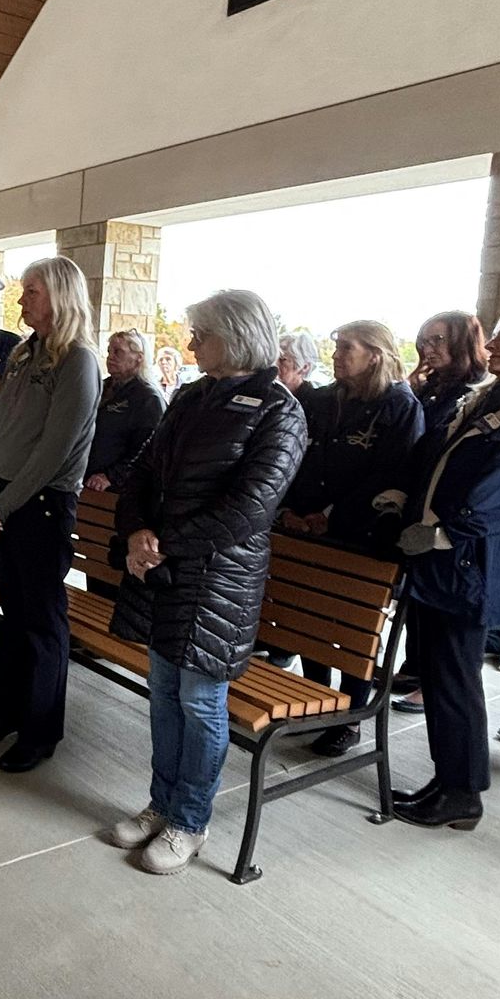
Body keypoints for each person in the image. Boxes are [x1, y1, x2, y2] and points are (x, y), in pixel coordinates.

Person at [108, 290, 307, 875]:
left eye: (202, 333)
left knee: (200, 701)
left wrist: (161, 543)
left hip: (219, 582)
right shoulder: (192, 396)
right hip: (164, 569)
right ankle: (162, 804)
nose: (191, 343)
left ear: (237, 337)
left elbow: (250, 508)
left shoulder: (279, 410)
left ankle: (190, 821)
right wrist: (136, 530)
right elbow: (143, 471)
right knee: (164, 693)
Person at [0, 257, 102, 772]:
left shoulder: (78, 361)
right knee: (15, 615)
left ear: (61, 296)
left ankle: (40, 732)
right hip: (4, 499)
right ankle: (7, 714)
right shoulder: (26, 353)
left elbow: (54, 451)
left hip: (42, 505)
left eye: (32, 291)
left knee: (42, 622)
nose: (22, 300)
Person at [380, 321, 500, 831]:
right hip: (440, 563)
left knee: (455, 677)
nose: (491, 345)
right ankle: (448, 780)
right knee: (436, 673)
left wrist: (444, 533)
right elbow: (433, 456)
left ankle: (463, 793)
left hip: (466, 564)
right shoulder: (488, 396)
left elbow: (494, 492)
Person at [282, 319, 424, 754]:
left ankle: (351, 717)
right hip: (308, 527)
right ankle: (317, 700)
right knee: (310, 619)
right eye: (337, 347)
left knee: (352, 627)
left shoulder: (399, 405)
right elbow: (299, 454)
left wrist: (329, 514)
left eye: (347, 347)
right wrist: (292, 509)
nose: (337, 355)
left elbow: (393, 474)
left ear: (375, 356)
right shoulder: (327, 399)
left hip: (362, 534)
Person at [392, 310, 488, 711]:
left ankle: (427, 680)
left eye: (438, 340)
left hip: (453, 526)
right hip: (419, 508)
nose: (427, 349)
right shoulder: (432, 389)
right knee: (419, 600)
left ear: (463, 343)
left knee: (451, 635)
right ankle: (417, 668)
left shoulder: (475, 392)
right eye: (424, 341)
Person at [84, 329, 165, 494]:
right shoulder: (100, 387)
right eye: (109, 351)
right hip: (85, 477)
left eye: (118, 352)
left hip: (116, 488)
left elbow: (148, 449)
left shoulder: (148, 398)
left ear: (139, 357)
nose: (110, 357)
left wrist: (112, 476)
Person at [276, 330, 322, 410]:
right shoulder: (269, 392)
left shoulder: (316, 403)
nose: (275, 364)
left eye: (282, 360)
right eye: (274, 358)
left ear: (304, 367)